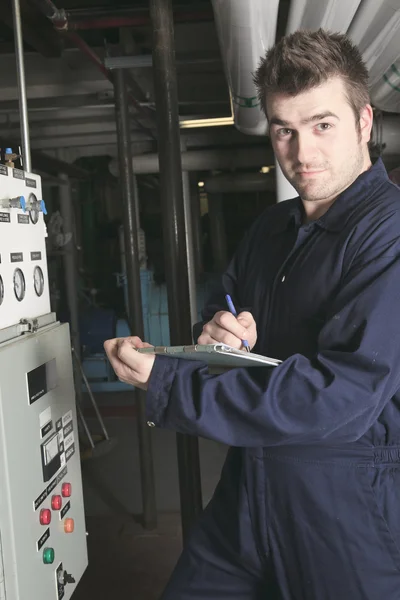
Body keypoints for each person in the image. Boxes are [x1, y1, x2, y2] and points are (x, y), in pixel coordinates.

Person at [104, 29, 400, 599]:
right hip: (248, 490)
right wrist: (218, 334)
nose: (301, 153)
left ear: (364, 122)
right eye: (284, 130)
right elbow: (225, 308)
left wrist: (172, 381)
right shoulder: (271, 230)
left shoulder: (387, 234)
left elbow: (340, 396)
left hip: (343, 505)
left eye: (322, 125)